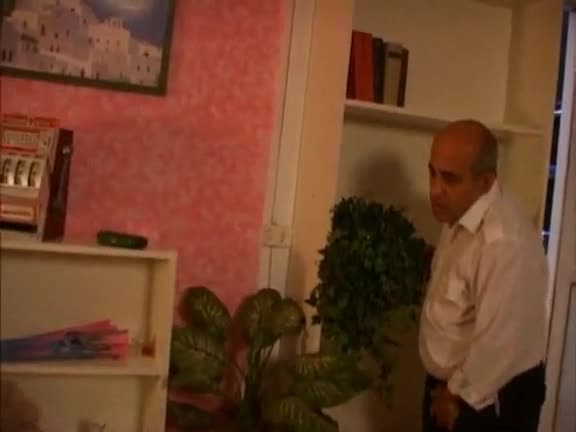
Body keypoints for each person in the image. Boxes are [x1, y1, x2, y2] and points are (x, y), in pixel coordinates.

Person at [419, 120, 548, 432]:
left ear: (486, 181)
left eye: (449, 178)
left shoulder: (504, 243)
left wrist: (454, 394)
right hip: (449, 387)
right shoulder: (457, 211)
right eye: (432, 173)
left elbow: (499, 344)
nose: (435, 189)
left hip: (482, 397)